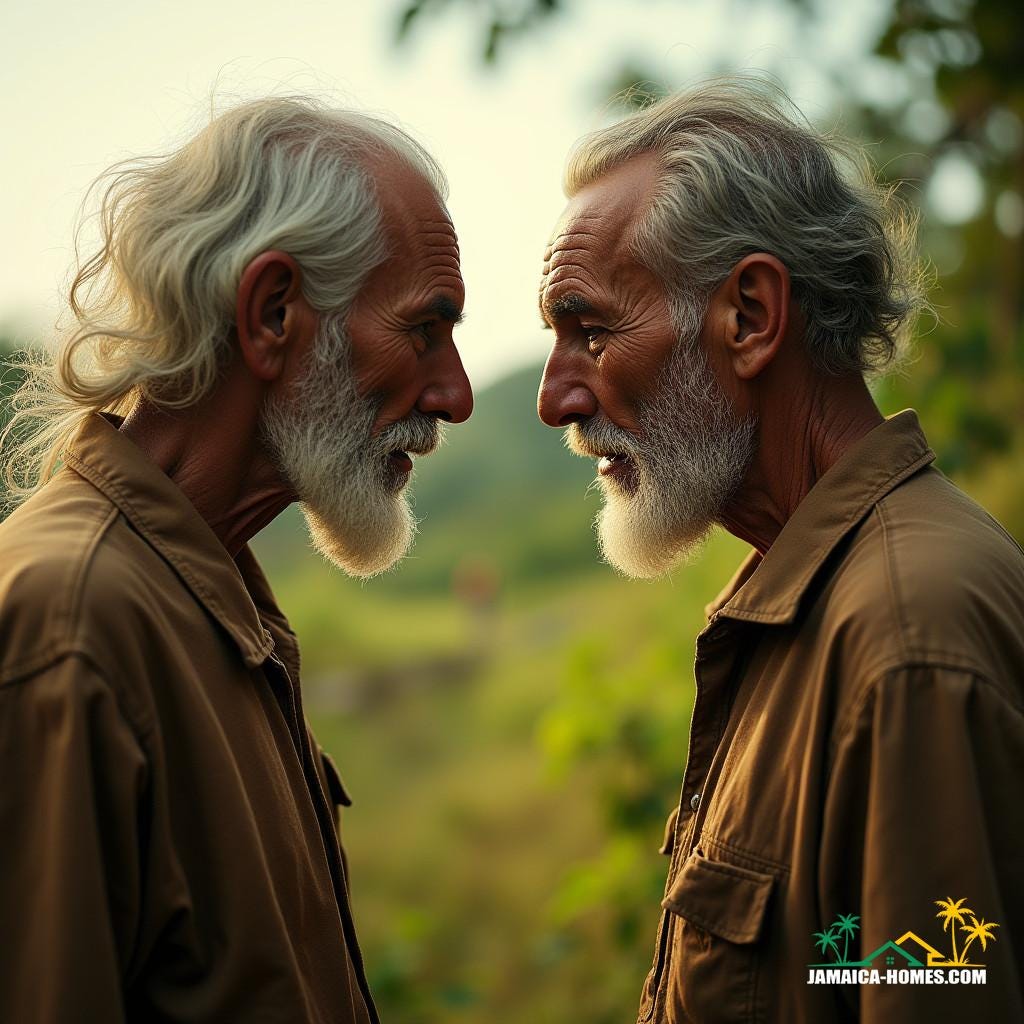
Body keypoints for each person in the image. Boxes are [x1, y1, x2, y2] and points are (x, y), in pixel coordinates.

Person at [537, 77, 1024, 1023]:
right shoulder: (830, 591)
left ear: (751, 317)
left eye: (591, 330)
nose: (558, 398)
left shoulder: (905, 635)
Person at [0, 96, 472, 1024]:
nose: (454, 394)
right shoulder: (70, 624)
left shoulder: (207, 599)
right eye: (425, 328)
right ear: (272, 313)